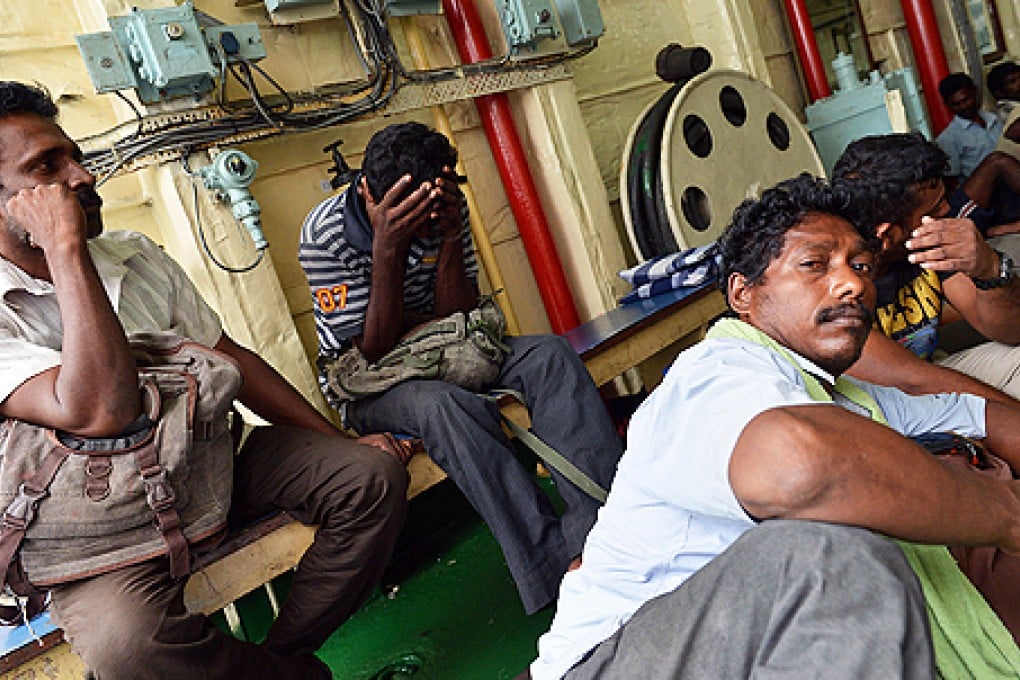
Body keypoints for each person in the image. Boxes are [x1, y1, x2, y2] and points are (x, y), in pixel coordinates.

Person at [528, 174, 1020, 680]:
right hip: (614, 661)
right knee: (828, 559)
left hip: (739, 653)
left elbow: (969, 412)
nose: (853, 283)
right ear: (743, 294)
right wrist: (1007, 515)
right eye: (814, 264)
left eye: (861, 265)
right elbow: (797, 464)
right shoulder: (714, 374)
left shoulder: (847, 399)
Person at [0, 82, 412, 679]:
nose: (82, 176)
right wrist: (65, 252)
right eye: (46, 167)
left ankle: (281, 660)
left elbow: (230, 357)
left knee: (370, 478)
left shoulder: (135, 256)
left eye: (75, 155)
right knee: (128, 649)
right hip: (98, 525)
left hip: (208, 462)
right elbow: (100, 411)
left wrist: (340, 441)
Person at [298, 122, 623, 615]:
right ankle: (552, 569)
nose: (421, 227)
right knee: (445, 406)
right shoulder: (324, 236)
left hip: (450, 347)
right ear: (365, 190)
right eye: (410, 218)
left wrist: (448, 235)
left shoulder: (443, 204)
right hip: (373, 384)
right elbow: (372, 349)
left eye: (427, 218)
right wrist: (390, 247)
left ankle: (607, 534)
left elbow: (457, 313)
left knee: (550, 357)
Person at [831, 133, 1020, 402]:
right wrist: (1008, 413)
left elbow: (1011, 331)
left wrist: (989, 269)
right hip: (872, 405)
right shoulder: (835, 281)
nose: (949, 212)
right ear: (887, 236)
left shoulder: (926, 246)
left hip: (929, 377)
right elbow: (910, 380)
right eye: (935, 210)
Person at [936, 72, 1003, 182]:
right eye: (956, 104)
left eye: (966, 99)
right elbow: (951, 179)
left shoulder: (995, 119)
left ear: (975, 91)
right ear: (947, 104)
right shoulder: (948, 139)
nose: (963, 107)